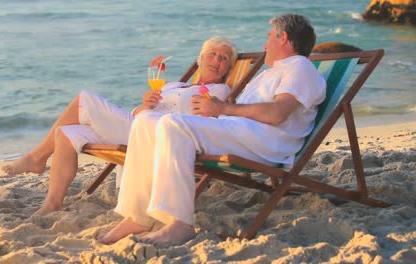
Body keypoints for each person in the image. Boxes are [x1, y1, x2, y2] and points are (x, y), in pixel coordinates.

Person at [98, 13, 327, 246]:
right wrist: (219, 110)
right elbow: (242, 109)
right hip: (240, 131)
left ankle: (180, 224)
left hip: (266, 140)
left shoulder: (300, 68)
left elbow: (278, 113)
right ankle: (137, 216)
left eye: (269, 37)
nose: (264, 44)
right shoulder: (272, 72)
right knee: (145, 120)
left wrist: (222, 108)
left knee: (173, 124)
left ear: (284, 38)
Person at [1, 36, 238, 215]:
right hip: (139, 124)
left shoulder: (219, 91)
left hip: (158, 136)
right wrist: (145, 104)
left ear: (228, 69)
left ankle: (37, 158)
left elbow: (204, 120)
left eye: (224, 58)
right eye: (213, 54)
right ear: (200, 59)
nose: (217, 60)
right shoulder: (174, 85)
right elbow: (137, 112)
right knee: (65, 133)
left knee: (84, 99)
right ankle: (52, 203)